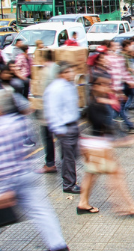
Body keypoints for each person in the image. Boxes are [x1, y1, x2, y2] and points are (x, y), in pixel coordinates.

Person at [0, 90, 70, 251]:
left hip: (6, 180)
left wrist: (4, 190)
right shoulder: (21, 121)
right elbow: (32, 144)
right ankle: (58, 245)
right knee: (42, 212)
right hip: (27, 174)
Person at [77, 75, 134, 216]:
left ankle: (83, 203)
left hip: (93, 145)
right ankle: (127, 206)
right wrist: (122, 141)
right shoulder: (96, 104)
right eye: (104, 84)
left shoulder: (99, 102)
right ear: (95, 87)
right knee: (116, 174)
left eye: (108, 84)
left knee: (91, 175)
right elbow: (105, 126)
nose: (108, 87)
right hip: (98, 147)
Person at [43, 62, 82, 194]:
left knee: (71, 155)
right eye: (68, 72)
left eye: (71, 71)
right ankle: (69, 184)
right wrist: (59, 129)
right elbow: (52, 110)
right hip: (65, 127)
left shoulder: (70, 85)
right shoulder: (56, 88)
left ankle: (69, 179)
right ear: (62, 74)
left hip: (72, 125)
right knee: (68, 157)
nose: (71, 74)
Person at [35, 51, 60, 174]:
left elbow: (45, 93)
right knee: (59, 136)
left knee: (47, 137)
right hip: (58, 111)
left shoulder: (46, 71)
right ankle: (65, 160)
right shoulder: (57, 68)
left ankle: (50, 164)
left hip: (49, 112)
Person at [106, 41, 134, 131]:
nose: (117, 46)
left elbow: (123, 72)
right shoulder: (107, 59)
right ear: (109, 47)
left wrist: (131, 81)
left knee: (118, 109)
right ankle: (125, 126)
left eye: (117, 45)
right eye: (114, 45)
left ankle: (126, 125)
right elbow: (109, 74)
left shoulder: (119, 58)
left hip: (118, 88)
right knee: (116, 109)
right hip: (111, 89)